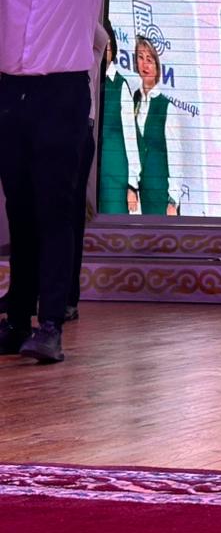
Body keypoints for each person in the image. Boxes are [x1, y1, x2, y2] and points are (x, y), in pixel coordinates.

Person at [0, 0, 153, 363]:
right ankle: (16, 319)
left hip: (62, 98)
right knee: (19, 211)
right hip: (11, 96)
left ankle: (50, 323)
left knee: (55, 209)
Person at [65, 23, 113, 324]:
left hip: (80, 131)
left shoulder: (91, 51)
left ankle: (67, 298)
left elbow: (101, 35)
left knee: (70, 219)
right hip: (49, 125)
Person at [127, 35, 185, 215]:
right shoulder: (132, 99)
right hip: (138, 194)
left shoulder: (167, 107)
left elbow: (176, 157)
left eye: (149, 60)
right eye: (140, 58)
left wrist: (173, 201)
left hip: (160, 195)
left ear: (157, 67)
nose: (145, 64)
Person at [97, 22, 137, 215]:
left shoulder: (121, 86)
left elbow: (130, 136)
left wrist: (132, 184)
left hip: (115, 174)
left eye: (108, 45)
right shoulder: (88, 82)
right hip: (91, 173)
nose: (105, 51)